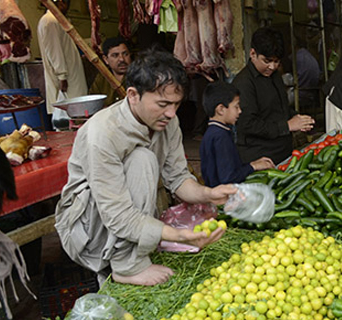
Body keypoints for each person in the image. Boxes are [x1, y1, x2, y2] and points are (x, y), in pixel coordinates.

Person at [54, 48, 237, 287]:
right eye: (162, 104)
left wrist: (208, 193)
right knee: (143, 159)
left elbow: (178, 178)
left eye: (176, 104)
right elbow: (117, 214)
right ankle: (126, 266)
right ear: (133, 95)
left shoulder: (167, 121)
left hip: (121, 221)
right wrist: (179, 236)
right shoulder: (102, 133)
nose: (171, 113)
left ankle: (134, 252)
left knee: (145, 160)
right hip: (89, 229)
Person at [233, 27, 314, 166]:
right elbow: (248, 125)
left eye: (276, 62)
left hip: (283, 152)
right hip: (260, 157)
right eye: (267, 61)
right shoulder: (243, 83)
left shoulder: (274, 75)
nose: (272, 66)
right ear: (253, 54)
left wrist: (299, 119)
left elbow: (280, 108)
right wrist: (287, 126)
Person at [200, 81, 275, 187]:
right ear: (221, 109)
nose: (240, 111)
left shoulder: (214, 132)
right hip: (223, 197)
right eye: (236, 106)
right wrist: (253, 167)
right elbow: (228, 178)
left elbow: (228, 169)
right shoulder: (220, 136)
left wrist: (251, 164)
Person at [37, 0, 88, 116]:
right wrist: (62, 76)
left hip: (71, 74)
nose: (67, 6)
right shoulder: (50, 21)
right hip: (66, 79)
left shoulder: (59, 21)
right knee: (69, 115)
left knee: (77, 112)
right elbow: (54, 51)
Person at [89, 37, 132, 107]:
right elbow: (92, 103)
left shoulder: (140, 76)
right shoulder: (102, 79)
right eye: (115, 55)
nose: (121, 59)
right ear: (106, 59)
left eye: (125, 54)